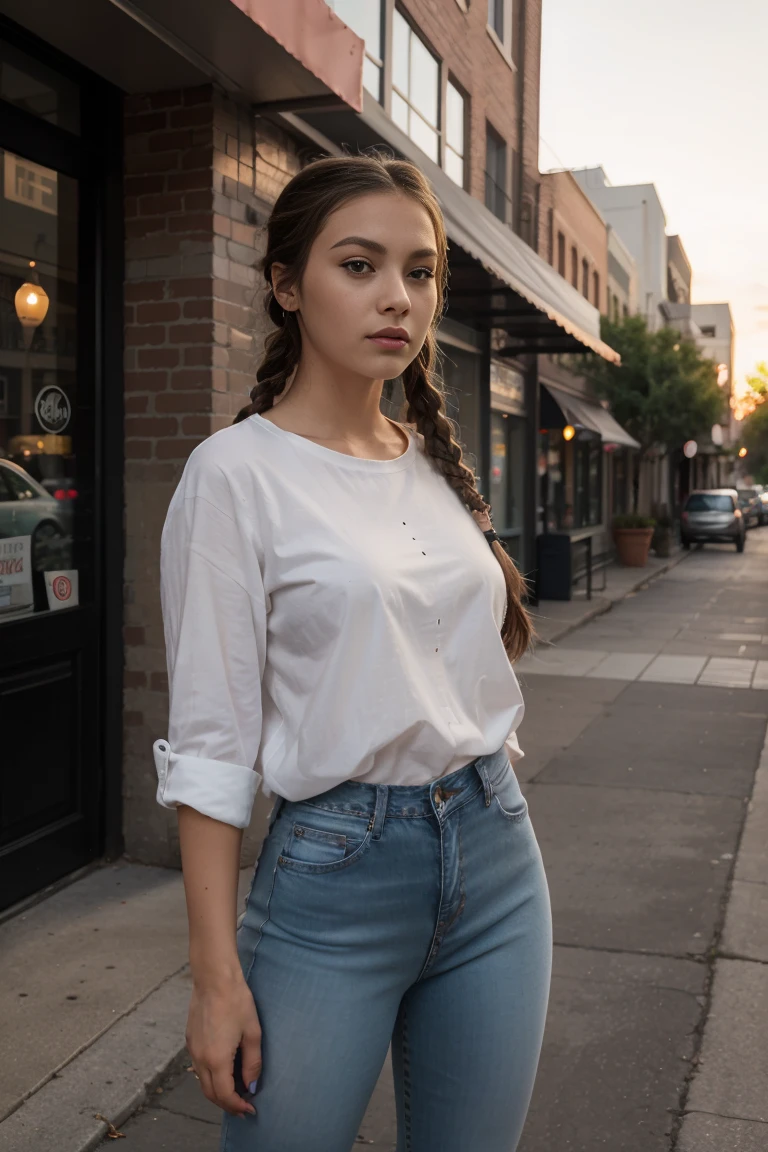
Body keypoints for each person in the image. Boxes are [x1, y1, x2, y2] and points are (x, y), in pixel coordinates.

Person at [153, 153, 552, 1152]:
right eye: (360, 265)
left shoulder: (428, 463)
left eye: (419, 273)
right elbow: (210, 744)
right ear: (288, 286)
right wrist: (214, 979)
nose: (398, 299)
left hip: (498, 858)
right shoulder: (234, 478)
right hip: (334, 875)